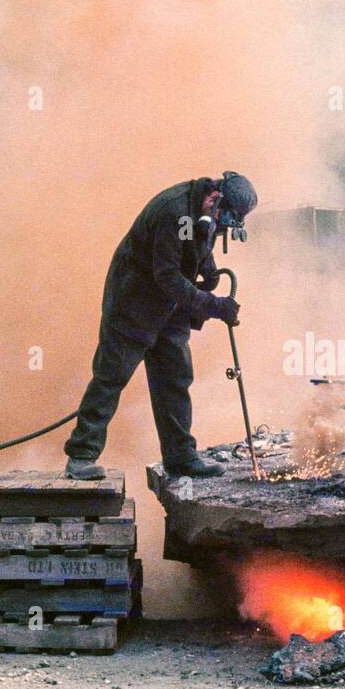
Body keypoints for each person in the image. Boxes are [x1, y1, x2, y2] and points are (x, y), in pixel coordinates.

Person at [63, 171, 257, 480]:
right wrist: (212, 305)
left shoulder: (207, 211)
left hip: (170, 306)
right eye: (221, 218)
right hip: (134, 302)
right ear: (214, 198)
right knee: (111, 377)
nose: (219, 225)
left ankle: (180, 457)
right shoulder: (174, 211)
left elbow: (197, 245)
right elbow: (166, 274)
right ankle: (81, 456)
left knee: (175, 379)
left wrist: (209, 271)